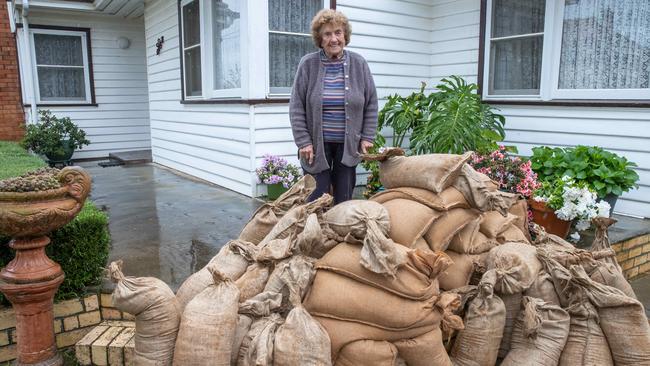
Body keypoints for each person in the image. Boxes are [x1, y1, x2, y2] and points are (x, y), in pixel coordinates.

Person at [289, 9, 378, 205]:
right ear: (320, 39)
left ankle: (339, 234)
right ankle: (315, 234)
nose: (334, 39)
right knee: (315, 199)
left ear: (345, 36)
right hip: (314, 146)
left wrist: (367, 136)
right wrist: (303, 141)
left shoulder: (359, 63)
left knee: (344, 199)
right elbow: (296, 106)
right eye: (327, 34)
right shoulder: (307, 64)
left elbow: (371, 102)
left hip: (348, 145)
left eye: (338, 32)